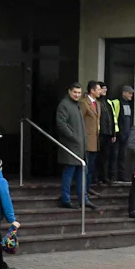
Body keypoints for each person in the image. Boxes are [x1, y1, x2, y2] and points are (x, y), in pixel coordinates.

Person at [55, 82, 94, 211]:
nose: (77, 95)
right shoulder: (65, 105)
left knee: (81, 173)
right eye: (74, 92)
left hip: (80, 146)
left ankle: (84, 199)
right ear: (69, 92)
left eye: (79, 93)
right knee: (69, 172)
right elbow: (61, 123)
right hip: (71, 146)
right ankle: (66, 199)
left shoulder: (76, 105)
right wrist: (74, 136)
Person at [79, 80, 102, 197]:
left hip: (95, 140)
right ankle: (83, 190)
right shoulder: (84, 103)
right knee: (86, 167)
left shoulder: (97, 104)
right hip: (87, 140)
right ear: (92, 90)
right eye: (98, 89)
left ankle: (88, 188)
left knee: (92, 167)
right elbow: (80, 120)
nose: (100, 91)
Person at [113, 86, 135, 182]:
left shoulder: (128, 104)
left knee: (122, 156)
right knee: (115, 155)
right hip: (118, 135)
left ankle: (121, 176)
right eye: (130, 93)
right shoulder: (118, 103)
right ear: (124, 93)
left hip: (126, 135)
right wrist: (116, 133)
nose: (131, 95)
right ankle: (113, 176)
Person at [96, 82, 116, 185]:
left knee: (106, 156)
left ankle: (104, 176)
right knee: (98, 156)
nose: (105, 90)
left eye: (105, 88)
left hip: (108, 133)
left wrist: (113, 133)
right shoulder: (96, 102)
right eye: (102, 88)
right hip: (100, 133)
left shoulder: (108, 102)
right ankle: (98, 177)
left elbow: (112, 118)